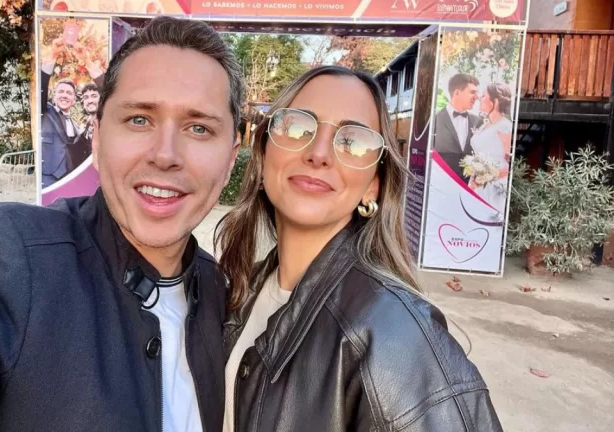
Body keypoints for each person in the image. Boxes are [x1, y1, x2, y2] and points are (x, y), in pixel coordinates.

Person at [0, 16, 242, 431]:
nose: (165, 155)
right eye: (139, 120)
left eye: (199, 128)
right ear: (97, 137)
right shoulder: (10, 258)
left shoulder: (220, 293)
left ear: (231, 158)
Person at [215, 66, 502, 432]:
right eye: (298, 125)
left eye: (354, 140)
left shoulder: (400, 338)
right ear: (264, 154)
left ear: (372, 187)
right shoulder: (243, 288)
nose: (319, 153)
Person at [40, 36, 106, 187]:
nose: (64, 95)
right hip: (49, 180)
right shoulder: (46, 112)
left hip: (71, 181)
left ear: (74, 99)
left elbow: (109, 95)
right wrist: (53, 55)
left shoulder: (78, 127)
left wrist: (87, 61)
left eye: (69, 93)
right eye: (61, 92)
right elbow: (41, 87)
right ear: (53, 96)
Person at [468, 83, 513, 212]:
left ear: (495, 101)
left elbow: (509, 165)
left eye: (483, 96)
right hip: (477, 185)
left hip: (494, 187)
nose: (479, 98)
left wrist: (483, 179)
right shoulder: (484, 125)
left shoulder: (505, 126)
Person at [434, 73, 484, 183]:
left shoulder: (478, 122)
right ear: (457, 93)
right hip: (441, 183)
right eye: (472, 92)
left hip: (469, 186)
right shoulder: (435, 120)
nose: (476, 97)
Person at [67, 81, 102, 172]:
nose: (90, 101)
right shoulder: (88, 124)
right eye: (86, 97)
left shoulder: (108, 122)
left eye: (94, 96)